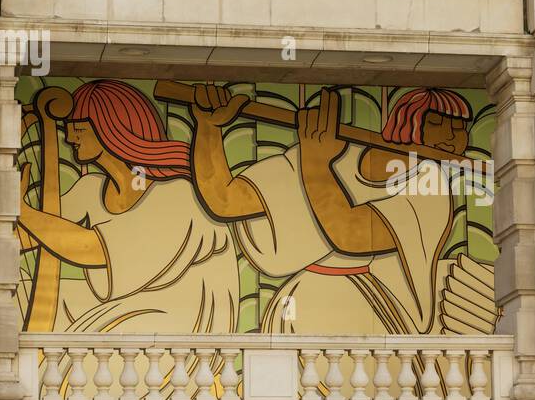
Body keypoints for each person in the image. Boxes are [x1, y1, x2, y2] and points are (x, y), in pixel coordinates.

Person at [192, 84, 480, 335]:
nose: (457, 139)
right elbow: (225, 200)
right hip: (296, 306)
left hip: (372, 311)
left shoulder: (429, 185)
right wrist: (209, 128)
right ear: (409, 122)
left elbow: (350, 235)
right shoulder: (337, 151)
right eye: (443, 124)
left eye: (461, 129)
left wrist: (316, 165)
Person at [17, 79, 241, 338]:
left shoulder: (178, 196)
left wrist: (24, 212)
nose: (68, 137)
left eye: (78, 127)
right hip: (125, 310)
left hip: (176, 321)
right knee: (24, 288)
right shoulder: (91, 188)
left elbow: (89, 249)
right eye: (67, 128)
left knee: (95, 330)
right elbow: (36, 236)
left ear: (112, 126)